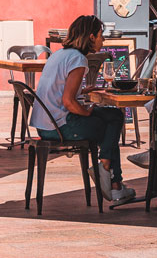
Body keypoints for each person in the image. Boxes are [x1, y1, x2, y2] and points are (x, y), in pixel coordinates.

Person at [29, 15, 135, 202]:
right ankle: (108, 174)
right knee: (114, 121)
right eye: (101, 36)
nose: (103, 41)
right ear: (91, 37)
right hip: (59, 127)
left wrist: (84, 90)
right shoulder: (78, 59)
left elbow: (61, 89)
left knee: (112, 118)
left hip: (45, 124)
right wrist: (86, 111)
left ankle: (112, 178)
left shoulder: (60, 54)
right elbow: (69, 102)